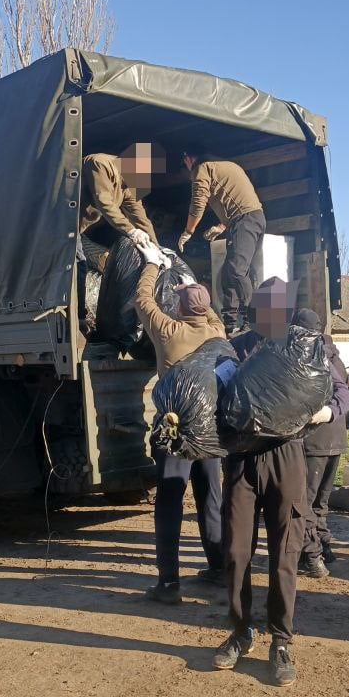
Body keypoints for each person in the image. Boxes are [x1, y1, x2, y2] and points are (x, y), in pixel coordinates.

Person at [212, 278, 311, 687]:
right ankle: (240, 631)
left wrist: (326, 411)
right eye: (262, 309)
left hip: (286, 457)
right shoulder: (234, 348)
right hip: (241, 460)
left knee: (284, 551)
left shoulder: (304, 346)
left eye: (276, 310)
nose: (269, 317)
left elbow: (339, 389)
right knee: (235, 550)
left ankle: (281, 641)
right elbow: (213, 392)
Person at [133, 245, 228, 603]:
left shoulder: (169, 332)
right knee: (211, 498)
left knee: (170, 501)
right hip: (210, 431)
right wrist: (193, 284)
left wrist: (153, 265)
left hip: (176, 430)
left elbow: (142, 300)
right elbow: (211, 315)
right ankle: (218, 567)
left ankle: (169, 584)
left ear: (179, 309)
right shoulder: (219, 334)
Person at [177, 146, 265, 336]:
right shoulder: (223, 166)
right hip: (248, 219)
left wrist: (188, 231)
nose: (186, 168)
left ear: (188, 158)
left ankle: (251, 320)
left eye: (185, 163)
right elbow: (236, 197)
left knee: (236, 270)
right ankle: (230, 324)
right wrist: (222, 226)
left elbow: (198, 203)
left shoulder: (203, 168)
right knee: (229, 273)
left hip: (245, 220)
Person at [291, 308, 349, 579]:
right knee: (320, 502)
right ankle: (325, 547)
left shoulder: (305, 357)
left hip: (314, 439)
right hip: (336, 439)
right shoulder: (334, 357)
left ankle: (312, 557)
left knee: (304, 502)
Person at [79, 144, 161, 270]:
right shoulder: (100, 163)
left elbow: (139, 215)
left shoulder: (131, 180)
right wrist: (131, 231)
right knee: (79, 265)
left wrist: (156, 248)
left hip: (80, 229)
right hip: (62, 221)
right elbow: (105, 203)